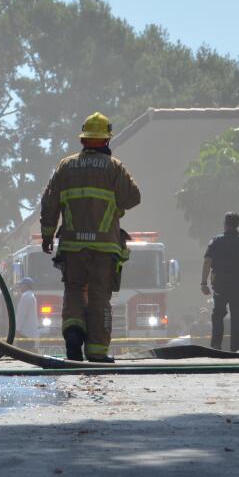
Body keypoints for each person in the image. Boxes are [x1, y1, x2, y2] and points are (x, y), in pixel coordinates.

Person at [39, 112, 141, 362]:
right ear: (106, 140)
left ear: (83, 140)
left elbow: (48, 202)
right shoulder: (114, 167)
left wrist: (47, 235)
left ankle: (73, 334)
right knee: (99, 297)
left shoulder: (65, 166)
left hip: (73, 246)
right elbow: (133, 197)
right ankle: (96, 352)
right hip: (104, 247)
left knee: (74, 292)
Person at [200, 212, 239, 351]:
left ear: (225, 224)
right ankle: (236, 349)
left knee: (218, 315)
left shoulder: (215, 241)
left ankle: (216, 345)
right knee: (238, 318)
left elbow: (207, 262)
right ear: (238, 224)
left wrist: (203, 283)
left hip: (221, 284)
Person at [15, 277, 40, 349]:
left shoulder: (25, 296)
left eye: (21, 285)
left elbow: (21, 315)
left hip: (24, 333)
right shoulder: (32, 296)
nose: (20, 287)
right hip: (31, 334)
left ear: (26, 286)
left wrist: (17, 330)